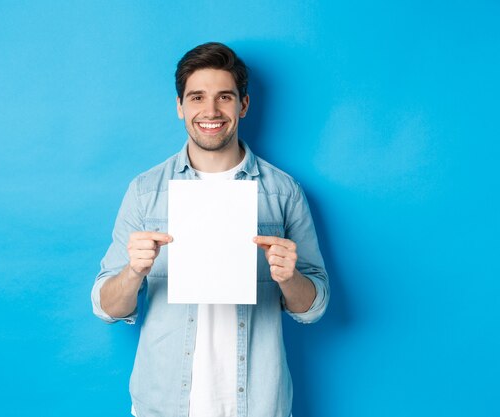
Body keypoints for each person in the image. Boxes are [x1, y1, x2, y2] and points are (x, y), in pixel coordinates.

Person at [91, 42, 329, 417]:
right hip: (163, 404)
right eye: (197, 97)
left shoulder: (283, 192)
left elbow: (313, 307)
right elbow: (106, 307)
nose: (211, 111)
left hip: (257, 404)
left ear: (243, 105)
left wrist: (290, 278)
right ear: (180, 107)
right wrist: (133, 271)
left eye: (224, 97)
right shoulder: (145, 191)